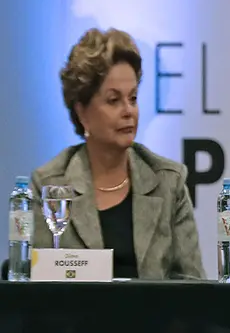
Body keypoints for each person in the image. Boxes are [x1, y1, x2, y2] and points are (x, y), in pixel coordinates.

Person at [30, 28, 205, 279]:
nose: (128, 111)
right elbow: (38, 288)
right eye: (114, 100)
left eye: (133, 98)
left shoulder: (168, 182)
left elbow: (193, 285)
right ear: (82, 113)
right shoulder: (50, 184)